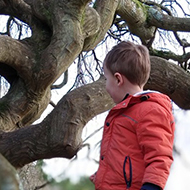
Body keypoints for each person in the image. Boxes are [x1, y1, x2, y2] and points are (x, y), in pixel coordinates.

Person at [90, 41, 175, 190]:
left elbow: (159, 157)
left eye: (106, 79)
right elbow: (126, 159)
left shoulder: (150, 110)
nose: (106, 86)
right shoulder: (124, 112)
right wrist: (103, 174)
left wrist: (151, 187)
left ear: (118, 79)